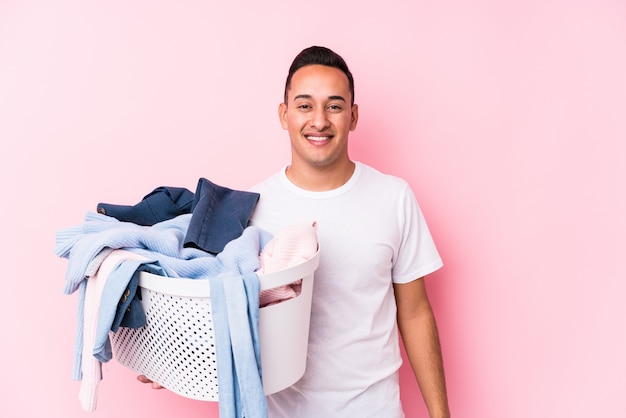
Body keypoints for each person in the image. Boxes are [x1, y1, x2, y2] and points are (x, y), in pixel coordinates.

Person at [140, 46, 450, 418]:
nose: (319, 120)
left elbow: (415, 313)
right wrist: (172, 357)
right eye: (305, 106)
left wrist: (440, 414)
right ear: (284, 115)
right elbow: (224, 308)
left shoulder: (394, 198)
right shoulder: (250, 210)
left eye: (334, 106)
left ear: (352, 117)